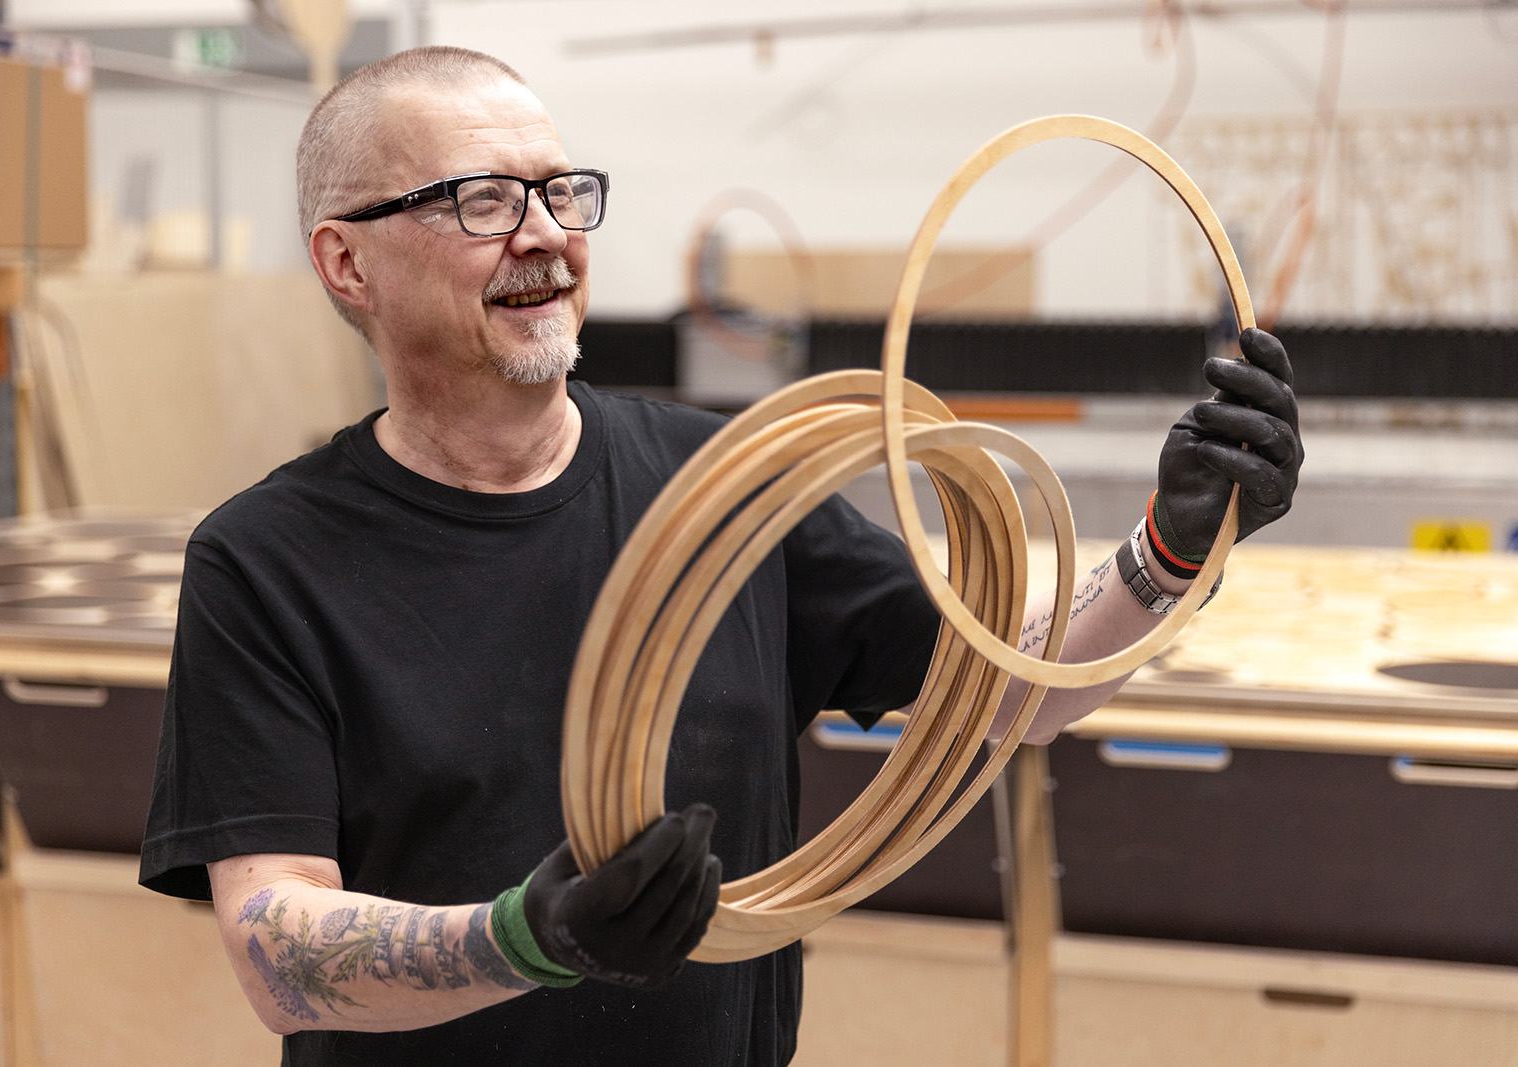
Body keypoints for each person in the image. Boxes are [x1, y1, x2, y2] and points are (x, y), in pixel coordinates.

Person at [140, 46, 1302, 1067]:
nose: (544, 232)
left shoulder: (733, 482)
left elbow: (1012, 688)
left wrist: (1171, 548)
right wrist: (526, 936)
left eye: (560, 191)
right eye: (481, 200)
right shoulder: (265, 560)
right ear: (347, 264)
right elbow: (276, 948)